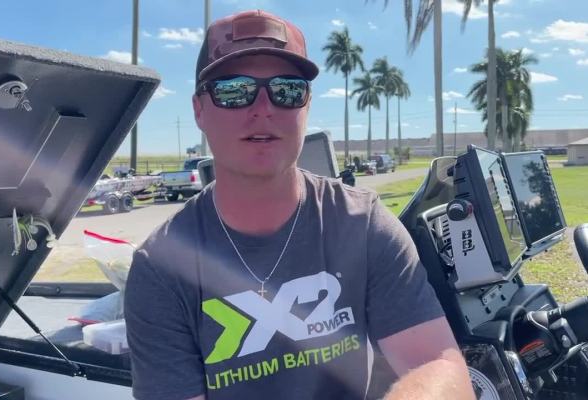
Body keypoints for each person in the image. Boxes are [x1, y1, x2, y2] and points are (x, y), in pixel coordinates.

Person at [124, 9, 474, 400]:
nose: (263, 108)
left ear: (305, 106)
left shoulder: (361, 225)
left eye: (287, 90)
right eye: (234, 90)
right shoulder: (161, 269)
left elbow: (438, 364)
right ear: (199, 110)